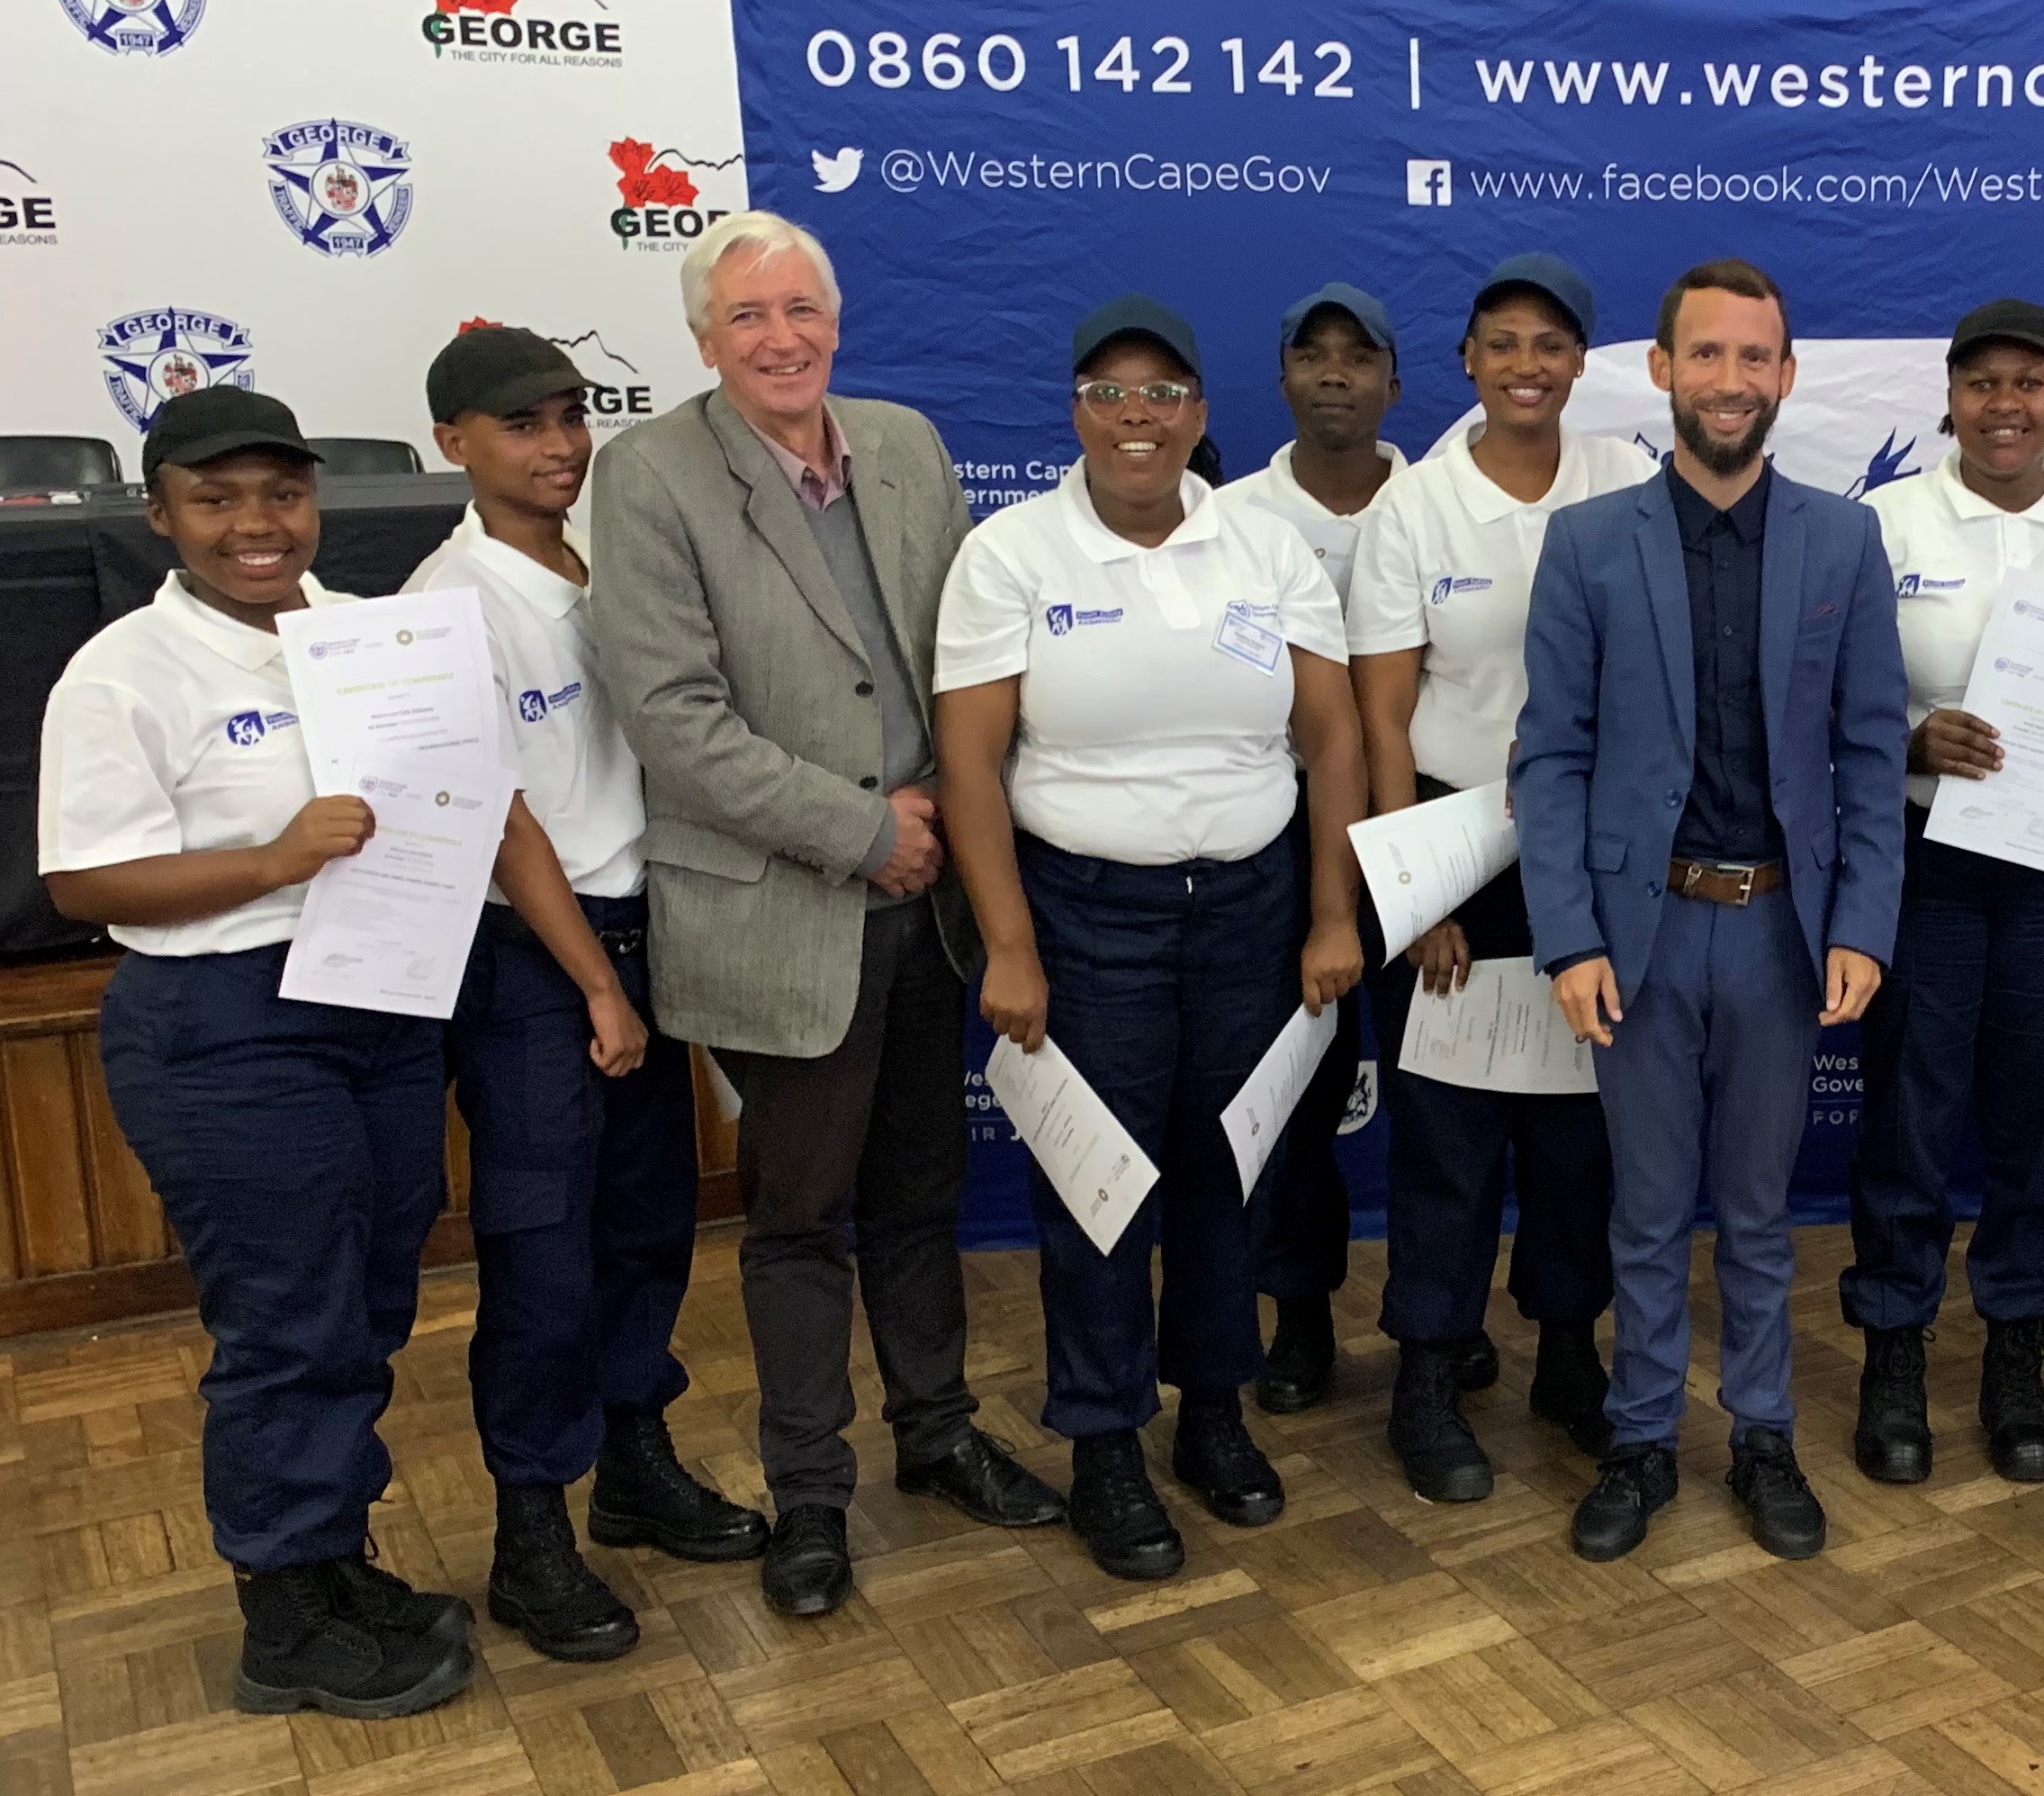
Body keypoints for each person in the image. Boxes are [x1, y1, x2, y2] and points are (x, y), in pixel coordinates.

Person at [592, 211, 1063, 1622]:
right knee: (800, 1219)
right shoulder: (651, 474)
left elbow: (979, 658)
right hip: (788, 906)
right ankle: (811, 1492)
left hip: (932, 911)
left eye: (799, 310)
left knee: (923, 1192)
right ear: (701, 340)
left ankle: (935, 1432)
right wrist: (865, 830)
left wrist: (949, 835)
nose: (780, 338)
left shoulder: (908, 446)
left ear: (836, 321)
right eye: (747, 319)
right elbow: (671, 720)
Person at [40, 385, 473, 1719]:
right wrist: (276, 857)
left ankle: (332, 1561)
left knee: (366, 1300)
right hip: (225, 1024)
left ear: (313, 502)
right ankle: (281, 1617)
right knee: (288, 1318)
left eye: (278, 494)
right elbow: (83, 884)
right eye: (216, 499)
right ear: (163, 513)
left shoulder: (373, 639)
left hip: (382, 1001)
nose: (255, 525)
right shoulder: (123, 671)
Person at [935, 293, 1369, 1581]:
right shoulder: (1012, 554)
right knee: (1100, 1190)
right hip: (1083, 915)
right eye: (1111, 393)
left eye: (1164, 393)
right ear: (1076, 410)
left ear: (1199, 413)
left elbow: (1333, 733)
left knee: (1228, 1175)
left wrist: (1333, 911)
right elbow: (969, 761)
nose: (1139, 416)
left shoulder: (1263, 548)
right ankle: (1110, 1445)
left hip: (1250, 906)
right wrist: (1008, 943)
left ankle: (1216, 1419)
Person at [1516, 257, 1908, 1564]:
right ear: (1662, 372)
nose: (1731, 382)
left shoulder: (1843, 539)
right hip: (1641, 932)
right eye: (1708, 356)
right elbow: (1550, 757)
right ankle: (1638, 1440)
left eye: (1755, 359)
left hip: (1783, 933)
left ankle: (1759, 1434)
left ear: (1786, 378)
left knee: (1755, 1210)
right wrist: (1566, 934)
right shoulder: (1586, 544)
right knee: (1642, 1209)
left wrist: (1862, 923)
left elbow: (1867, 748)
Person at [403, 327, 762, 1664]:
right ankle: (529, 1530)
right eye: (520, 426)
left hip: (644, 934)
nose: (558, 446)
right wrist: (596, 988)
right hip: (538, 965)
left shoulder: (600, 569)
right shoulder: (452, 600)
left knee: (646, 1224)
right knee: (543, 1254)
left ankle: (633, 1461)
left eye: (569, 416)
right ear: (454, 443)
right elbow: (500, 819)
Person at [1348, 254, 1650, 1498]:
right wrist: (1414, 897)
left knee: (1583, 1132)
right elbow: (1378, 720)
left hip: (1595, 851)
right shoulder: (1410, 511)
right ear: (1468, 363)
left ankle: (1570, 1361)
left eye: (1550, 344)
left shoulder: (1629, 483)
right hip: (1452, 850)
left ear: (1581, 363)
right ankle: (1428, 1374)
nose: (1527, 365)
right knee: (1449, 1137)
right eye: (1501, 344)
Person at [1842, 299, 2044, 1485]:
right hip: (1927, 864)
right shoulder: (1884, 523)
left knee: (2043, 1122)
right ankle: (1894, 1358)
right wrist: (1915, 739)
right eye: (1983, 385)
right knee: (1908, 1120)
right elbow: (1838, 699)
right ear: (1951, 398)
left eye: (2028, 383)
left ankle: (2016, 1355)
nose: (2005, 406)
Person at [1219, 283, 1411, 1415]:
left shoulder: (1437, 502)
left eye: (1359, 355)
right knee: (1296, 1090)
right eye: (1312, 354)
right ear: (1283, 376)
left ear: (1395, 378)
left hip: (1435, 819)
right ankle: (1298, 1316)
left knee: (1445, 1086)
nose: (1335, 373)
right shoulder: (1234, 515)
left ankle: (1435, 1316)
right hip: (1284, 835)